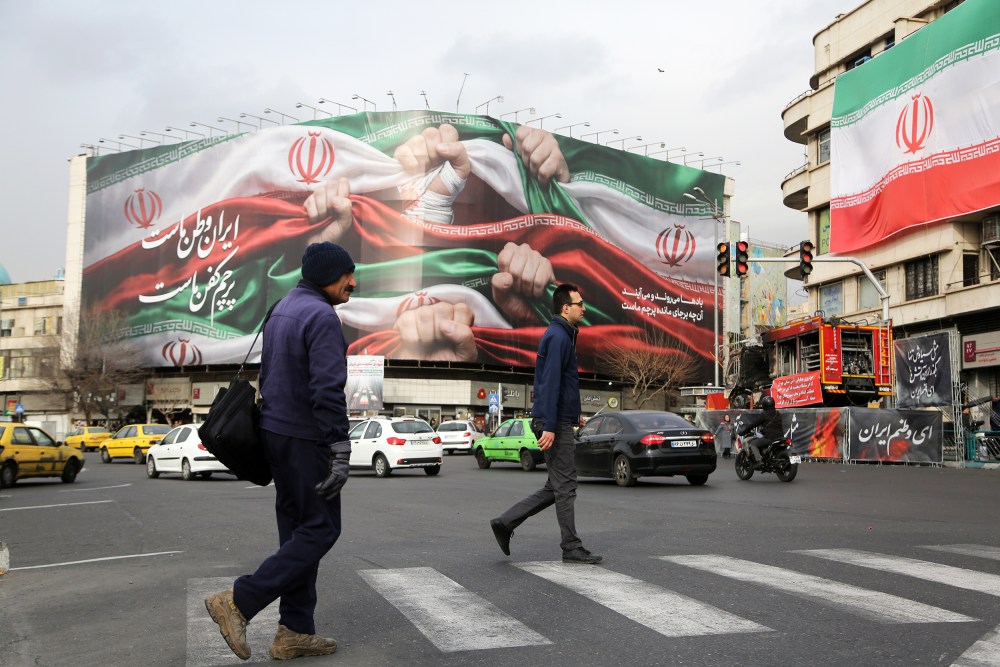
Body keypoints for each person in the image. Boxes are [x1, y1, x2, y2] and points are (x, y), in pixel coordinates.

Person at [205, 241, 356, 661]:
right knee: (322, 529)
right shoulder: (321, 316)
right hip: (306, 439)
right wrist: (340, 448)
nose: (353, 282)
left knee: (297, 532)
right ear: (329, 275)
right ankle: (239, 601)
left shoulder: (283, 307)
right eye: (348, 274)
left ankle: (295, 631)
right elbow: (326, 389)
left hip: (275, 434)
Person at [489, 283, 602, 565]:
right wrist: (551, 425)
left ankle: (505, 522)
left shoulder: (563, 335)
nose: (584, 308)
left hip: (559, 419)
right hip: (553, 422)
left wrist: (573, 415)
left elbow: (560, 384)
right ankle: (571, 547)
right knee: (566, 486)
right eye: (580, 304)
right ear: (566, 308)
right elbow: (549, 384)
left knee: (556, 486)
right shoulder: (559, 337)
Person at [736, 395, 784, 463]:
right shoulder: (778, 413)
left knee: (753, 444)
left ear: (764, 405)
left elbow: (753, 424)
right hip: (780, 437)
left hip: (769, 438)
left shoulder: (764, 414)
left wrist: (743, 432)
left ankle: (759, 460)